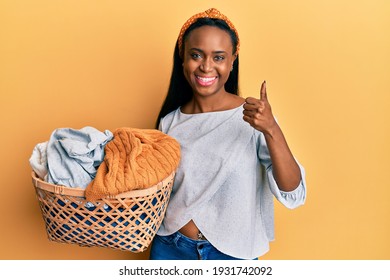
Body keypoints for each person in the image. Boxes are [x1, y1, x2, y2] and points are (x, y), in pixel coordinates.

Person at [149, 8, 306, 260]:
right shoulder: (169, 123)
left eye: (219, 57)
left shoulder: (254, 118)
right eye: (196, 55)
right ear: (183, 58)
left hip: (233, 255)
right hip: (171, 248)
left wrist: (271, 129)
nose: (206, 67)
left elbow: (293, 192)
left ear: (232, 61)